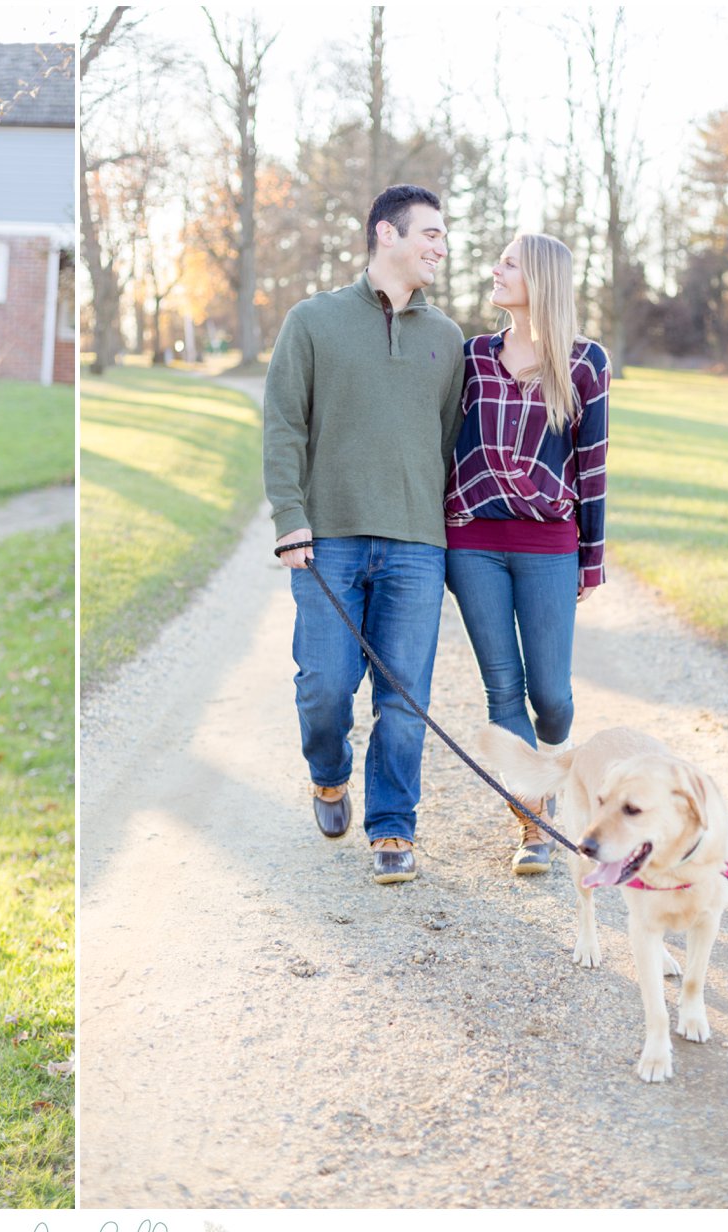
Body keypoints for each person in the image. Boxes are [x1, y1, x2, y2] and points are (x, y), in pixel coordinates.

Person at [265, 183, 465, 884]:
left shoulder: (447, 338)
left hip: (415, 544)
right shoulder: (312, 321)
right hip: (329, 541)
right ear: (386, 234)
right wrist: (289, 517)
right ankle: (327, 774)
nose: (441, 246)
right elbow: (284, 423)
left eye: (443, 235)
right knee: (322, 686)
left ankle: (391, 827)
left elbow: (446, 441)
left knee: (403, 698)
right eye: (431, 234)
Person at [443, 233, 608, 875]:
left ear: (538, 276)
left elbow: (591, 469)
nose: (496, 270)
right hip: (473, 542)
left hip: (548, 544)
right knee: (503, 687)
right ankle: (532, 825)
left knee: (552, 694)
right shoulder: (470, 357)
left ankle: (556, 766)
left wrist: (589, 560)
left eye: (508, 263)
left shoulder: (586, 362)